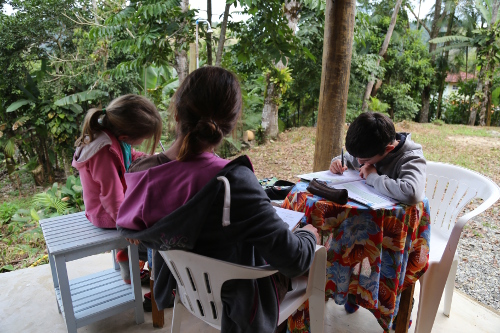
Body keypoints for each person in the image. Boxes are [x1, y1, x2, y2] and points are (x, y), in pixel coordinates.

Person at [116, 67, 319, 333]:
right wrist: (309, 235)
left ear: (176, 114)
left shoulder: (142, 175)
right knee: (311, 261)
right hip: (240, 300)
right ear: (231, 126)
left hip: (188, 292)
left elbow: (132, 229)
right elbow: (294, 260)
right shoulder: (232, 183)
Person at [72, 94, 162, 284]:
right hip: (105, 213)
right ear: (125, 137)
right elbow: (111, 196)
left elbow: (129, 155)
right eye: (144, 138)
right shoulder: (103, 152)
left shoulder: (113, 138)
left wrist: (152, 159)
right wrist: (128, 226)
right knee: (159, 225)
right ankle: (140, 261)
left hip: (113, 208)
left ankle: (128, 259)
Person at [329, 112, 426, 205]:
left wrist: (373, 177)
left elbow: (412, 194)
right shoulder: (370, 147)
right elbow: (347, 158)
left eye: (366, 160)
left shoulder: (411, 157)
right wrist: (339, 162)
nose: (358, 161)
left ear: (388, 149)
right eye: (356, 157)